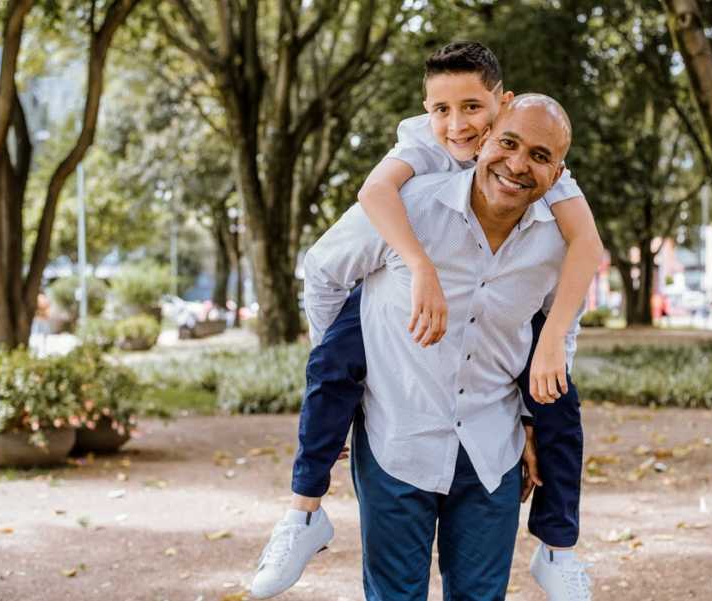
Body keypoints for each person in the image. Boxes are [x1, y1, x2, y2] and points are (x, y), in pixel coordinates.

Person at [250, 44, 601, 600]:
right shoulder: (407, 199)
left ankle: (558, 549)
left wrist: (536, 415)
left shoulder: (557, 232)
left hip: (492, 449)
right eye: (507, 143)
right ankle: (302, 516)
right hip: (398, 439)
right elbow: (321, 270)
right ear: (490, 139)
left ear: (556, 170)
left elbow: (565, 316)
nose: (515, 163)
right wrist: (345, 364)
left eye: (536, 156)